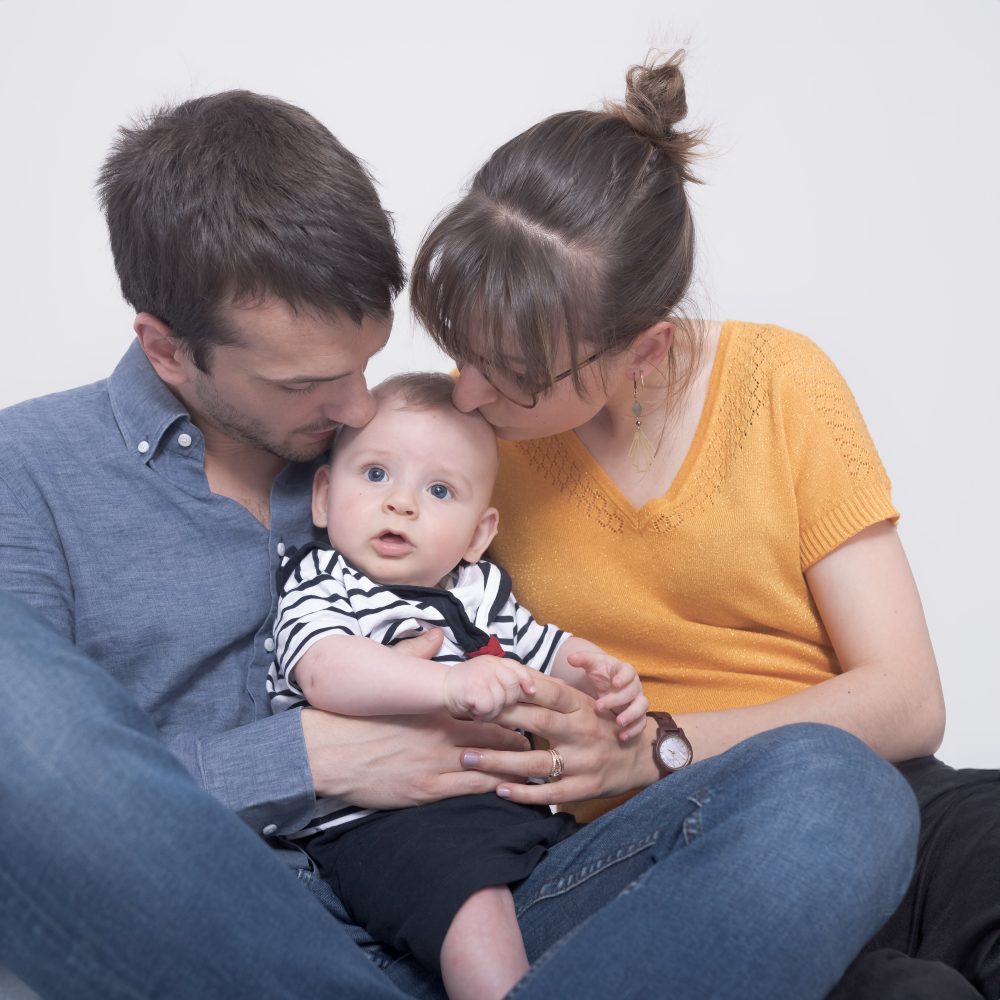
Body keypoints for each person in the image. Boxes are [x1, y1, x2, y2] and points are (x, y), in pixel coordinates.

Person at [0, 87, 918, 1000]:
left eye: (366, 365)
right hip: (232, 930)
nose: (360, 409)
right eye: (311, 382)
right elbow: (50, 796)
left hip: (502, 912)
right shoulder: (30, 470)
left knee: (840, 788)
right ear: (167, 350)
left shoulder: (410, 453)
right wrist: (314, 759)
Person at [408, 49, 1000, 1000]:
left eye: (513, 371)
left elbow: (907, 698)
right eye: (459, 348)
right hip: (665, 845)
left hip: (867, 784)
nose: (469, 390)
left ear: (644, 350)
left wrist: (660, 742)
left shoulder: (781, 381)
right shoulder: (447, 449)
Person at [268, 371, 649, 1000]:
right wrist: (446, 688)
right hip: (378, 822)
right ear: (323, 497)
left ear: (477, 535)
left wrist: (602, 672)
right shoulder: (323, 579)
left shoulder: (479, 589)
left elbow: (545, 648)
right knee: (471, 901)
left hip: (507, 810)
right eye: (375, 474)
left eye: (439, 489)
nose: (402, 503)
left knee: (600, 894)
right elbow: (327, 671)